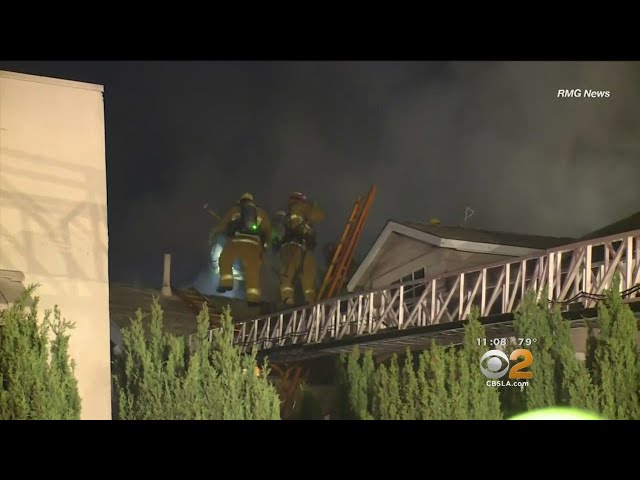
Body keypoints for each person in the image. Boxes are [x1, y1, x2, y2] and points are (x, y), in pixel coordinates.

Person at [211, 193, 271, 306]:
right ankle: (253, 299)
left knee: (225, 259)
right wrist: (265, 246)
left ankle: (226, 283)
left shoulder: (234, 210)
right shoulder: (261, 213)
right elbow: (267, 232)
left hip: (237, 241)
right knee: (253, 272)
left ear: (241, 201)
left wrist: (214, 234)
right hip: (254, 245)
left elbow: (222, 225)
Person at [278, 192, 325, 306]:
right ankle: (309, 300)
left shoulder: (291, 213)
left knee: (288, 274)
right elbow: (318, 217)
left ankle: (288, 298)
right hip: (299, 247)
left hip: (292, 247)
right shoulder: (299, 209)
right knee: (307, 275)